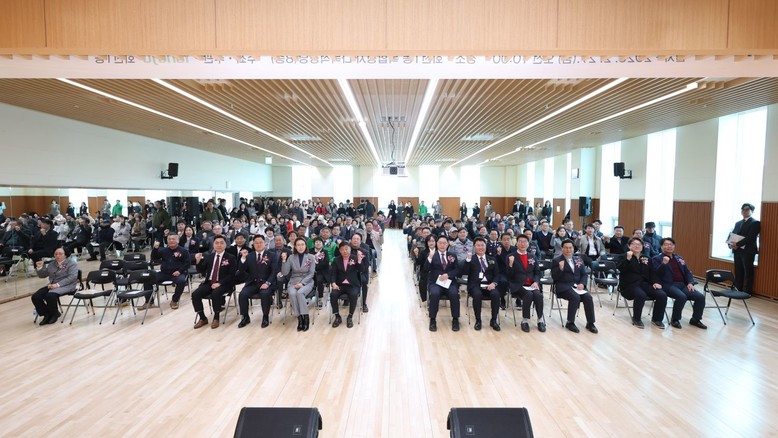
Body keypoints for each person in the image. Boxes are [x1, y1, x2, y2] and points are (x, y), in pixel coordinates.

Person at [653, 238, 707, 329]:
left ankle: (695, 319)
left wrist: (690, 282)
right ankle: (675, 319)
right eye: (666, 244)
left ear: (674, 246)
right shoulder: (657, 259)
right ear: (661, 247)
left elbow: (687, 272)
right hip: (668, 285)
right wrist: (664, 264)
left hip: (683, 284)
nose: (669, 246)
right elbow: (656, 274)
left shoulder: (679, 258)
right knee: (682, 297)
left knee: (700, 297)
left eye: (671, 244)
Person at [619, 237, 668, 329]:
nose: (637, 246)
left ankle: (657, 319)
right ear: (629, 246)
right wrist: (628, 260)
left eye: (639, 244)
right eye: (634, 244)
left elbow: (652, 273)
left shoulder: (647, 258)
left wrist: (655, 282)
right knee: (641, 295)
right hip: (629, 285)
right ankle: (636, 318)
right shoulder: (624, 256)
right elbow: (621, 269)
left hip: (645, 284)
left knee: (662, 294)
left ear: (642, 246)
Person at [551, 239, 598, 333]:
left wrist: (582, 284)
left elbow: (584, 274)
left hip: (577, 287)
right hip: (563, 286)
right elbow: (554, 277)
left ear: (573, 249)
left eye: (570, 248)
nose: (568, 250)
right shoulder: (557, 260)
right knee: (575, 297)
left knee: (588, 297)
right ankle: (570, 322)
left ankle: (590, 322)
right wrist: (560, 269)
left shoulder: (578, 259)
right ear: (562, 249)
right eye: (566, 248)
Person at [192, 236, 237, 329]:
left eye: (221, 243)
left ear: (225, 244)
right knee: (195, 294)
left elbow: (231, 275)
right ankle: (202, 318)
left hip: (224, 284)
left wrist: (219, 283)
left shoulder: (231, 257)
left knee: (215, 293)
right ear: (213, 245)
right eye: (217, 243)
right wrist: (198, 261)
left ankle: (216, 317)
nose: (219, 245)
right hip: (209, 282)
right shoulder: (209, 257)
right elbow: (201, 270)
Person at [237, 235, 278, 328]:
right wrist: (243, 258)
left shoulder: (271, 255)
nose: (258, 244)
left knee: (264, 293)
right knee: (242, 294)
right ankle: (245, 317)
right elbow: (241, 270)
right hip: (253, 283)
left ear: (265, 244)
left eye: (260, 242)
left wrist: (267, 283)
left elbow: (274, 271)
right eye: (256, 243)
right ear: (253, 244)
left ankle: (265, 316)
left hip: (267, 283)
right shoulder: (249, 256)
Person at [507, 234, 545, 333]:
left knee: (538, 295)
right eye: (520, 241)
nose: (522, 244)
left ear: (528, 244)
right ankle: (525, 321)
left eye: (525, 242)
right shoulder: (511, 256)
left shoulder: (532, 256)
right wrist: (510, 264)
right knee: (528, 295)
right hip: (518, 285)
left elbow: (537, 272)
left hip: (531, 285)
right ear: (517, 243)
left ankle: (540, 320)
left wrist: (536, 281)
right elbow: (509, 275)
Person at [31, 248, 78, 325]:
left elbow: (72, 277)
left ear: (65, 255)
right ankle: (46, 314)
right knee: (36, 296)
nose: (57, 256)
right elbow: (43, 275)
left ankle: (54, 314)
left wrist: (57, 285)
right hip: (52, 285)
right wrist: (39, 268)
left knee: (50, 296)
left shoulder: (72, 264)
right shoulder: (51, 264)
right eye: (56, 254)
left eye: (60, 254)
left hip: (67, 285)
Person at [426, 235, 461, 332]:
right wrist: (429, 258)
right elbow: (425, 269)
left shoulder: (452, 255)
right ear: (437, 244)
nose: (442, 245)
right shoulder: (432, 255)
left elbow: (457, 270)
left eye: (444, 243)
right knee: (435, 293)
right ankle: (432, 319)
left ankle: (455, 319)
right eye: (440, 243)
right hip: (436, 282)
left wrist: (448, 275)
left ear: (447, 244)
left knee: (454, 294)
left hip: (449, 282)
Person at [280, 237, 316, 331]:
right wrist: (284, 261)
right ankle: (299, 318)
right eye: (298, 245)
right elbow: (285, 272)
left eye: (302, 244)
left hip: (307, 281)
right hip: (293, 281)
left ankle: (306, 318)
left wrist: (302, 283)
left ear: (306, 246)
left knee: (300, 293)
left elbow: (311, 273)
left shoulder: (310, 257)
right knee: (292, 294)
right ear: (295, 246)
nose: (300, 247)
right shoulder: (291, 257)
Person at [466, 237, 500, 331]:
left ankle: (493, 320)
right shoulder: (471, 259)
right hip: (475, 285)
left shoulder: (492, 259)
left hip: (489, 284)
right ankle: (478, 320)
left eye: (482, 245)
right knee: (477, 294)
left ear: (485, 246)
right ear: (474, 247)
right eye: (478, 245)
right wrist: (467, 260)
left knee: (496, 294)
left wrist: (494, 283)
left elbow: (497, 274)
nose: (480, 247)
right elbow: (464, 271)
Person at [148, 234, 190, 310]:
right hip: (164, 273)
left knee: (182, 281)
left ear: (178, 241)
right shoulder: (164, 250)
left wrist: (179, 271)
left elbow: (187, 264)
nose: (171, 241)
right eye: (169, 239)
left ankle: (175, 300)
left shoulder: (184, 251)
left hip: (177, 273)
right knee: (147, 279)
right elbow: (154, 258)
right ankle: (149, 302)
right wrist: (155, 249)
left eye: (173, 239)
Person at [729, 203, 761, 293]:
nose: (744, 211)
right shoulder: (738, 223)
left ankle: (747, 292)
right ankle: (738, 289)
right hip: (737, 250)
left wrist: (737, 244)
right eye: (743, 209)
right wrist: (730, 244)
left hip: (748, 251)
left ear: (752, 211)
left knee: (748, 271)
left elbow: (750, 237)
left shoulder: (755, 223)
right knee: (738, 270)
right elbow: (732, 234)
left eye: (747, 209)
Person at [330, 241, 362, 328]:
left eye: (346, 249)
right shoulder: (336, 260)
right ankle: (337, 316)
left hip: (352, 285)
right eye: (342, 249)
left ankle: (350, 317)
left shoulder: (355, 258)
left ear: (350, 249)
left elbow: (361, 270)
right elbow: (333, 273)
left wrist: (359, 261)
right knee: (333, 294)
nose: (345, 251)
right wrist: (333, 283)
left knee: (353, 295)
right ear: (339, 251)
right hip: (340, 285)